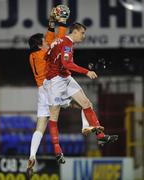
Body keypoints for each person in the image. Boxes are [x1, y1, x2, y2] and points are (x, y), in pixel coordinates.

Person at [44, 22, 118, 153]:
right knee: (54, 115)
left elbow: (48, 56)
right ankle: (57, 149)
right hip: (55, 80)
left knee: (86, 103)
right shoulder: (67, 43)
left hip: (64, 76)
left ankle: (101, 137)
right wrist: (86, 72)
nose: (84, 36)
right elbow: (67, 63)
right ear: (75, 32)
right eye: (82, 33)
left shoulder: (61, 41)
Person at [26, 6, 70, 178]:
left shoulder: (33, 55)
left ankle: (32, 155)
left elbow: (51, 37)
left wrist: (51, 21)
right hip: (52, 87)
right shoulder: (46, 53)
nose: (46, 41)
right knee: (79, 103)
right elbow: (59, 39)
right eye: (43, 40)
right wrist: (62, 23)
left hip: (41, 91)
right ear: (40, 45)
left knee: (40, 126)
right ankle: (86, 124)